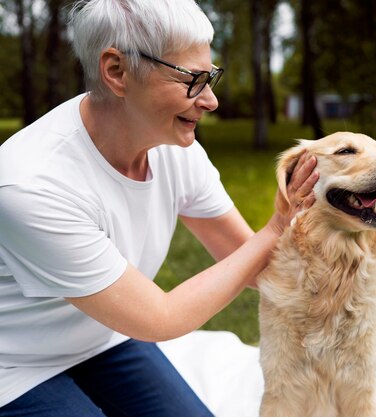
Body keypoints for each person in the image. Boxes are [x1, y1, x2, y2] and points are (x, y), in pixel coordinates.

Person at [0, 0, 318, 415]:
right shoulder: (31, 183)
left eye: (212, 78)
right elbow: (159, 319)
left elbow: (253, 263)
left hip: (104, 338)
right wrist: (276, 228)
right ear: (116, 71)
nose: (210, 101)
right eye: (193, 79)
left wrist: (342, 242)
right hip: (14, 364)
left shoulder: (175, 149)